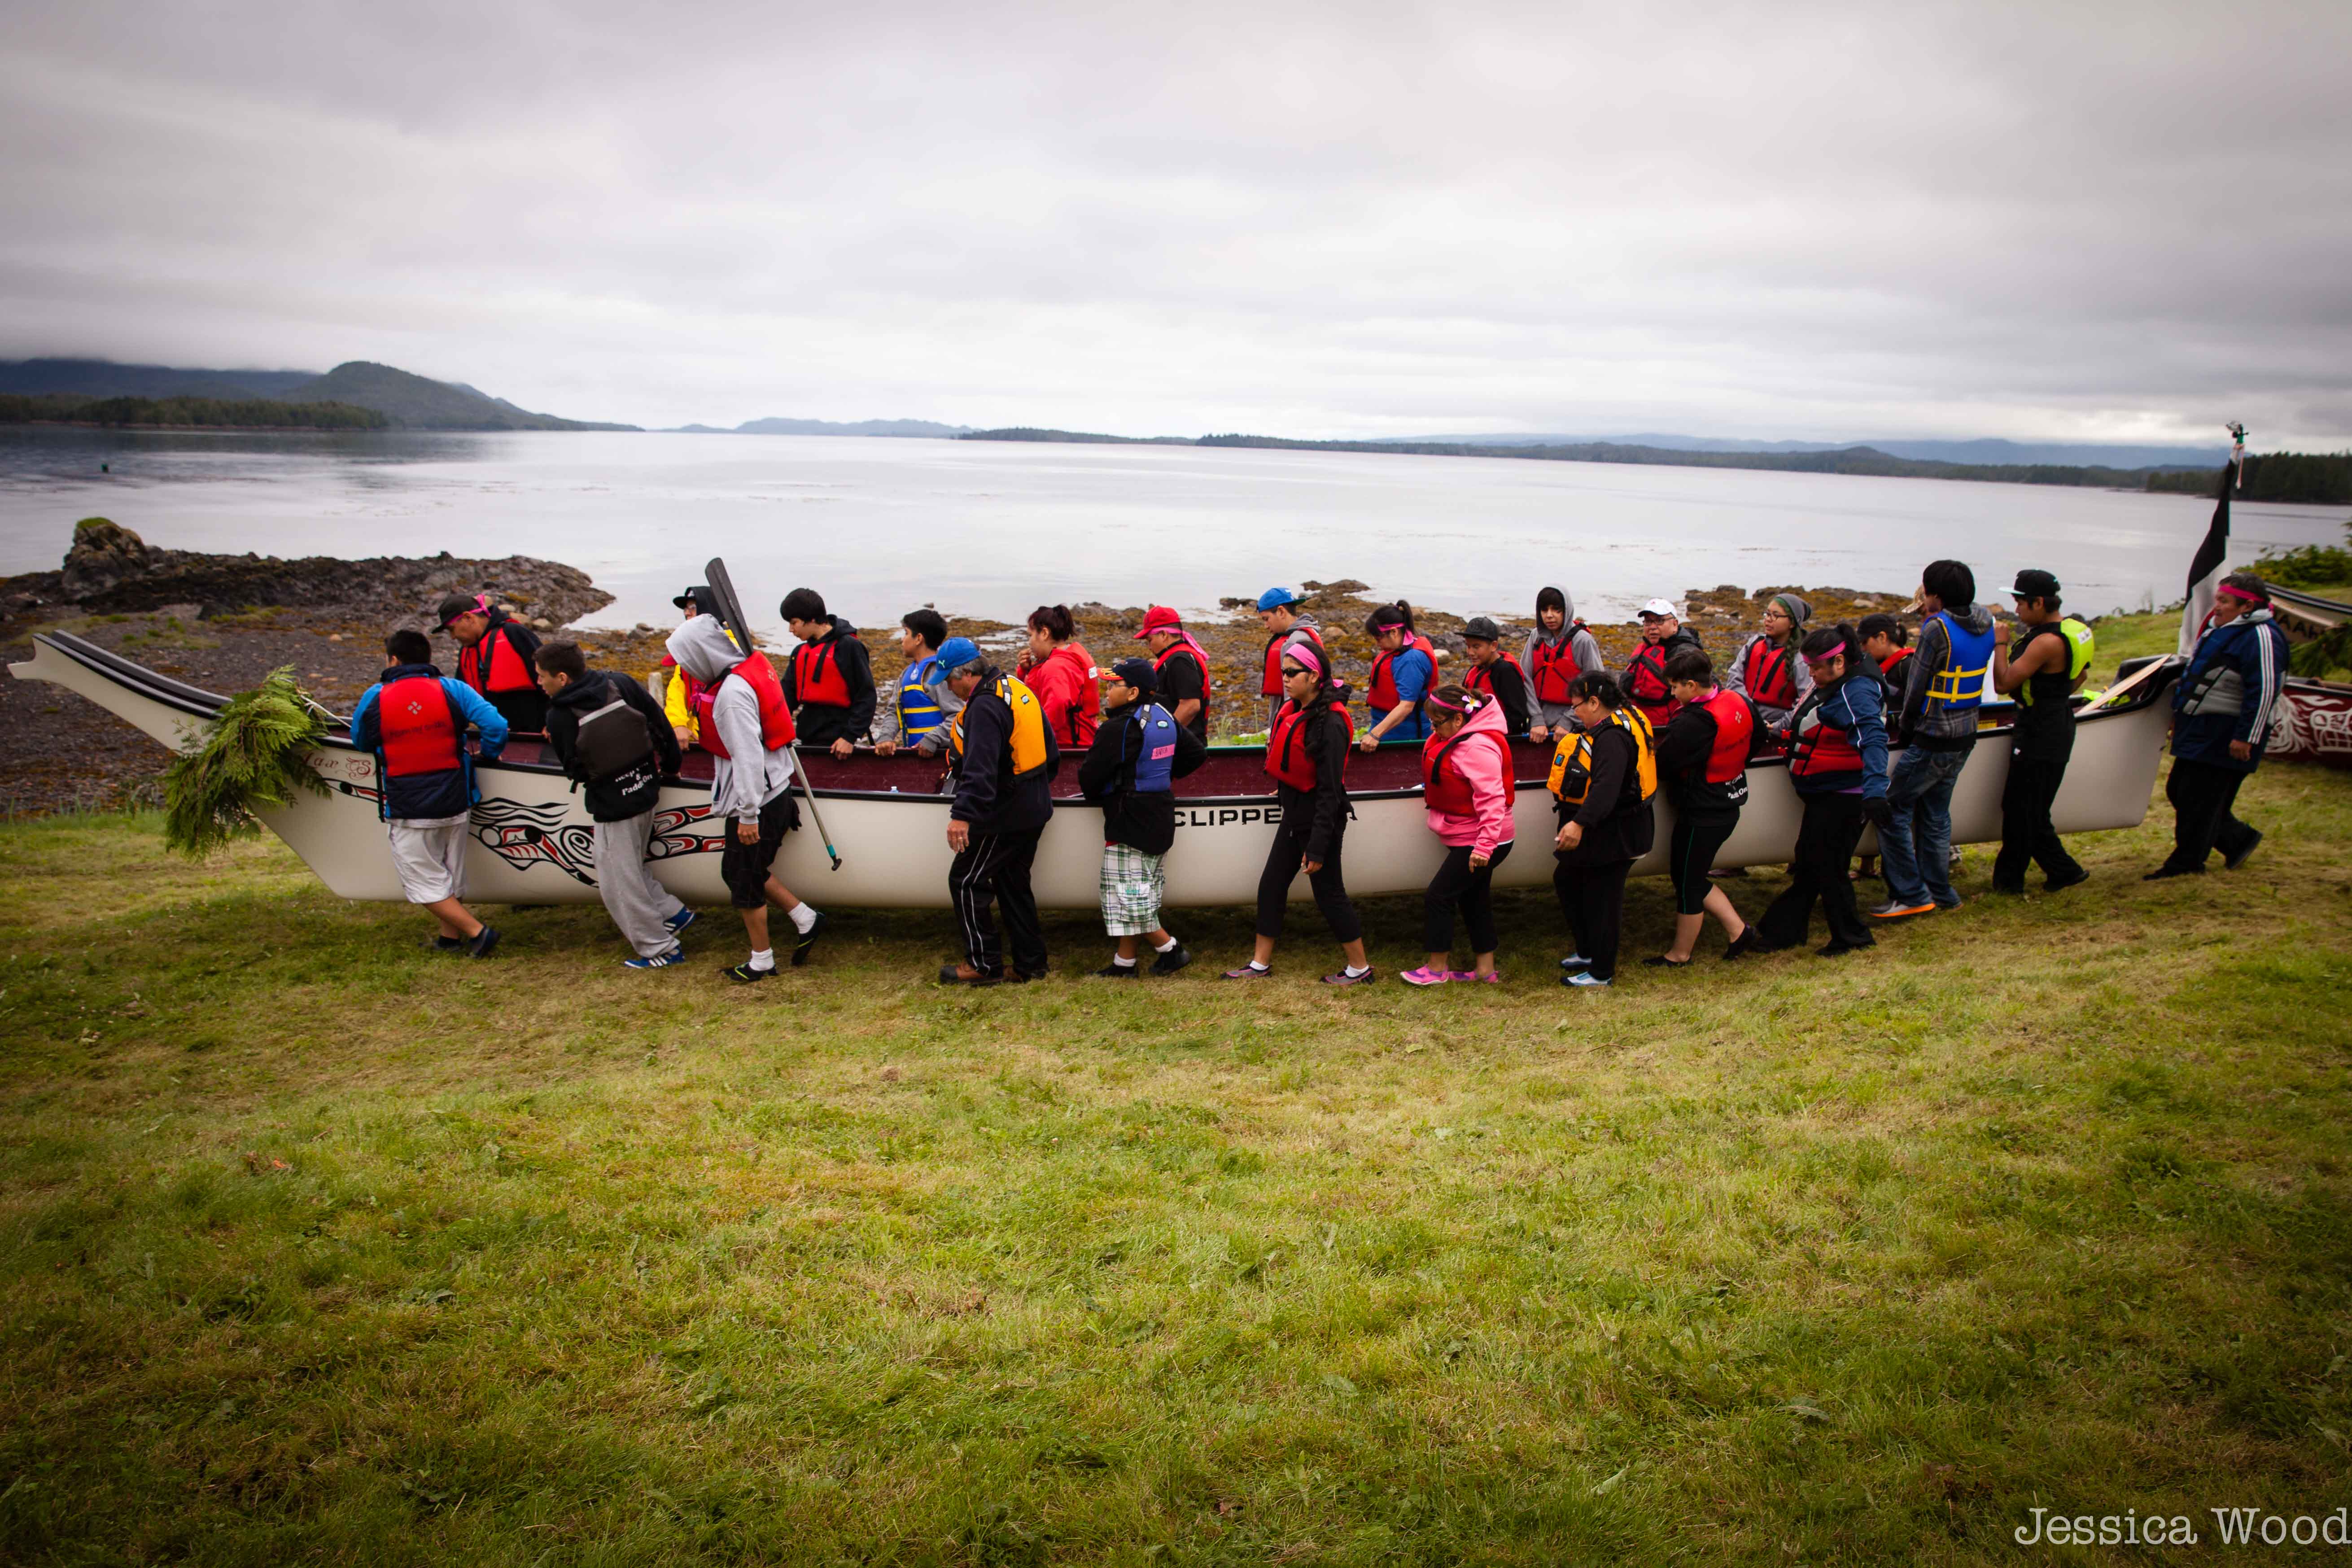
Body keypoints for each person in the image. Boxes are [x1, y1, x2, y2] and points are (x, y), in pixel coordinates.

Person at [666, 616, 827, 982]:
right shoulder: (738, 674)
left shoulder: (731, 696)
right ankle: (805, 918)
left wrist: (749, 815)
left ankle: (762, 960)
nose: (685, 669)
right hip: (772, 790)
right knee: (741, 869)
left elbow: (748, 758)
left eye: (687, 660)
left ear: (702, 654)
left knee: (743, 877)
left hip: (760, 799)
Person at [533, 640, 696, 967]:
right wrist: (671, 765)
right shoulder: (619, 683)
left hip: (613, 805)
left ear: (562, 678)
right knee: (630, 866)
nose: (539, 682)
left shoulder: (560, 716)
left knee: (618, 882)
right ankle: (672, 913)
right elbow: (660, 724)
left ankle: (660, 948)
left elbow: (575, 769)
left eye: (541, 676)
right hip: (647, 788)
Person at [351, 629, 508, 958]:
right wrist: (489, 755)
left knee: (421, 881)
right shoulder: (453, 689)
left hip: (408, 804)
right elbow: (495, 725)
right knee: (450, 873)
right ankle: (449, 939)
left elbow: (361, 741)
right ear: (428, 657)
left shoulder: (376, 696)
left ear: (394, 660)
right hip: (456, 797)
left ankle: (478, 933)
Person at [1225, 639, 1373, 985]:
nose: (1286, 679)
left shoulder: (1332, 724)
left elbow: (1329, 792)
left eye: (1292, 673)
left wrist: (1317, 846)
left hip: (1319, 822)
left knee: (1330, 894)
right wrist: (1286, 789)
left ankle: (1360, 968)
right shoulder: (1297, 710)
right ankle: (1260, 963)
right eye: (1283, 672)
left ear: (1315, 676)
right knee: (1272, 885)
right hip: (1294, 817)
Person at [1753, 624, 1892, 957]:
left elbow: (1873, 738)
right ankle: (1785, 932)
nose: (1811, 674)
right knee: (1810, 862)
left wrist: (1875, 792)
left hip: (1843, 796)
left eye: (1815, 667)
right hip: (1825, 794)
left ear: (1840, 662)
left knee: (1828, 869)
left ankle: (1851, 937)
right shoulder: (1833, 682)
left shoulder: (1857, 692)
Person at [1872, 560, 1996, 921]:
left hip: (1934, 736)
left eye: (1926, 592)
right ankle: (1941, 892)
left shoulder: (1936, 629)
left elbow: (1917, 687)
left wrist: (1907, 726)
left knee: (1892, 808)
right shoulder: (1986, 621)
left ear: (1936, 595)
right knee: (1936, 813)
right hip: (1966, 732)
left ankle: (1911, 893)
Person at [2148, 572, 2289, 880]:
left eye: (2224, 601)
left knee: (2198, 798)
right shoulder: (2221, 628)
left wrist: (2246, 737)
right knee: (2182, 791)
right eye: (2218, 600)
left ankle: (2187, 863)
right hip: (2201, 728)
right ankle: (2237, 840)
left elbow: (2265, 690)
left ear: (2247, 606)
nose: (2217, 607)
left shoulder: (2262, 636)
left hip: (2227, 732)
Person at [937, 636, 1060, 983]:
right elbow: (1051, 753)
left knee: (965, 880)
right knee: (1012, 884)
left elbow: (981, 770)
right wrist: (1034, 790)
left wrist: (962, 815)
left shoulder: (985, 706)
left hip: (1006, 812)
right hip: (1034, 805)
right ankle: (1030, 965)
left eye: (949, 681)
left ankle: (983, 964)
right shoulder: (1014, 687)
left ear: (966, 674)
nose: (949, 688)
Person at [1078, 656, 1207, 977]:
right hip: (1160, 813)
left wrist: (1108, 791)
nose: (1107, 691)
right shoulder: (1163, 715)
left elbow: (1089, 779)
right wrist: (1159, 773)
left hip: (1129, 821)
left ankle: (1171, 950)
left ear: (1133, 692)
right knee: (1139, 890)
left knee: (1127, 897)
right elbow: (1196, 753)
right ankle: (1125, 962)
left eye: (1113, 685)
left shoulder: (1117, 728)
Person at [1646, 648, 1759, 965]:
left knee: (1687, 881)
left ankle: (1680, 954)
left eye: (1675, 687)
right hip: (1728, 803)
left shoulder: (1694, 722)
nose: (1672, 693)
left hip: (1702, 811)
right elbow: (1758, 736)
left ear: (1692, 686)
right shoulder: (1738, 701)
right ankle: (1739, 931)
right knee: (1690, 876)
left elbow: (1665, 764)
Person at [1547, 673, 1657, 987]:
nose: (1575, 713)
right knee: (1567, 878)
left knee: (1604, 898)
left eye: (1577, 707)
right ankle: (1588, 950)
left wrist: (1579, 823)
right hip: (1606, 827)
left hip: (1618, 832)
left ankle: (1601, 971)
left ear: (1594, 703)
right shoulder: (1610, 726)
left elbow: (1606, 789)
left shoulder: (1613, 738)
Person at [1402, 684, 1517, 985]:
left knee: (1438, 896)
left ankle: (1436, 969)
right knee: (1474, 898)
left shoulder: (1476, 747)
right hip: (1474, 837)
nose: (1433, 729)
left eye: (1437, 723)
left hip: (1482, 840)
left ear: (1458, 719)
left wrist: (1484, 847)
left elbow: (1493, 799)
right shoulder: (1459, 739)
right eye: (1430, 722)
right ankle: (1485, 970)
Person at [1989, 569, 2094, 895]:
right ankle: (2064, 871)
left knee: (2020, 810)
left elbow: (2003, 683)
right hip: (2058, 720)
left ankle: (2010, 884)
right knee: (2032, 808)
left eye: (2020, 603)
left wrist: (2001, 643)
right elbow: (2082, 676)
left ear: (2038, 603)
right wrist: (2055, 694)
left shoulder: (2046, 642)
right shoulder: (2077, 631)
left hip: (2039, 730)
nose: (2017, 610)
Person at [779, 587, 877, 760]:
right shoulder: (799, 652)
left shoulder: (849, 647)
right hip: (807, 740)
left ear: (811, 619)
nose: (791, 629)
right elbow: (786, 698)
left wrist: (850, 737)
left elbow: (866, 696)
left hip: (840, 745)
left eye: (794, 623)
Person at [435, 592, 546, 735]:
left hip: (535, 734)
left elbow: (552, 676)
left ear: (469, 617)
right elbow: (460, 699)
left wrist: (553, 722)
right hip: (495, 737)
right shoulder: (467, 652)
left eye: (452, 629)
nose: (452, 637)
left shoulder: (514, 633)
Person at [871, 608, 962, 757]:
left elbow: (958, 716)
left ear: (919, 639)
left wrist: (932, 740)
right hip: (915, 757)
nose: (902, 640)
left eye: (906, 633)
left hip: (941, 757)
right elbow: (894, 711)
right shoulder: (905, 675)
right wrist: (886, 737)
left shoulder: (940, 674)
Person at [1521, 585, 1606, 743]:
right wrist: (1536, 718)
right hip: (1539, 722)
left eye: (1556, 610)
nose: (1550, 615)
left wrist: (1569, 720)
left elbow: (1597, 684)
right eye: (1544, 610)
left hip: (1575, 723)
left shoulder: (1583, 641)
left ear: (1567, 611)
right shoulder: (1535, 637)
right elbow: (1525, 678)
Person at [651, 586, 730, 750]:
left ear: (710, 609)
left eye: (693, 607)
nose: (687, 613)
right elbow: (677, 689)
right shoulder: (689, 647)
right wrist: (678, 724)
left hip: (726, 740)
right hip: (696, 738)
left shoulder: (732, 649)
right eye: (686, 609)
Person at [1016, 604, 1101, 749]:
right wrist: (1025, 671)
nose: (1029, 642)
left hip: (1068, 750)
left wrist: (1033, 741)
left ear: (1044, 633)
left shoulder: (1056, 667)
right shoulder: (1066, 657)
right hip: (1084, 744)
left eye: (1030, 635)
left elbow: (1058, 705)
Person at [1724, 592, 1814, 728]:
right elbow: (1734, 677)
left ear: (1792, 622)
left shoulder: (1801, 658)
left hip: (1775, 726)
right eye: (1767, 614)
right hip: (1744, 714)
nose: (1768, 620)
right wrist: (1749, 712)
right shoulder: (1754, 643)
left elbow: (1805, 701)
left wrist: (1778, 726)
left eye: (1776, 616)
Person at [1358, 601, 1438, 748]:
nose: (1377, 644)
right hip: (1387, 729)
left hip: (1405, 737)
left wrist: (1374, 735)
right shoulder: (1399, 651)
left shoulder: (1411, 660)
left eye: (1379, 639)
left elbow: (1407, 706)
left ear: (1394, 632)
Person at [1134, 605, 1214, 740]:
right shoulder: (1178, 658)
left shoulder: (1180, 660)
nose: (1149, 647)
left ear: (1164, 635)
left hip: (1183, 746)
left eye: (1150, 640)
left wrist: (1164, 737)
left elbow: (1191, 706)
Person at [1622, 598, 1704, 729]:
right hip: (1639, 722)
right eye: (1648, 622)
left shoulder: (1687, 654)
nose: (1652, 627)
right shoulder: (1644, 650)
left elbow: (1705, 691)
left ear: (1675, 624)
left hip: (1668, 728)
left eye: (1660, 621)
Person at [1255, 587, 1325, 727]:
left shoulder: (1292, 643)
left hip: (1291, 722)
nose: (1266, 626)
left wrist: (1284, 728)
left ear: (1281, 612)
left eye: (1267, 619)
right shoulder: (1310, 633)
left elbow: (1292, 697)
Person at [1460, 616, 1532, 737]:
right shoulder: (1476, 669)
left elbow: (1517, 715)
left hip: (1497, 737)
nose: (1471, 652)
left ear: (1493, 646)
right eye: (1468, 646)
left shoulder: (1505, 671)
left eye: (1476, 647)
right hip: (1476, 734)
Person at [1859, 613, 1911, 684]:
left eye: (1865, 642)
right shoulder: (1876, 665)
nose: (1863, 649)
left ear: (1882, 637)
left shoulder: (1909, 667)